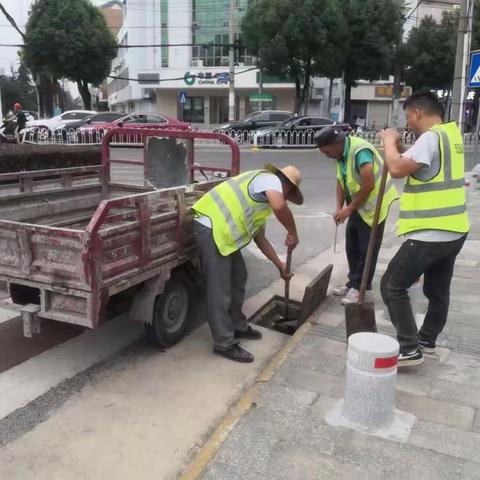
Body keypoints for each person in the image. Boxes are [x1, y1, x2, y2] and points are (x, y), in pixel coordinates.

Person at [379, 89, 469, 367]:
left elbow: (395, 169)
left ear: (417, 112)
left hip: (430, 232)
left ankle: (408, 348)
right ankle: (427, 339)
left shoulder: (430, 138)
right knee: (438, 291)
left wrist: (388, 142)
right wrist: (402, 150)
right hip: (455, 230)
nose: (408, 124)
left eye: (408, 117)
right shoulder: (450, 135)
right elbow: (420, 164)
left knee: (392, 286)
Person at [192, 164, 302, 363]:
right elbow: (279, 206)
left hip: (225, 236)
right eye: (288, 195)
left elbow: (261, 240)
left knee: (238, 277)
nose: (286, 200)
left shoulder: (264, 203)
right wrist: (293, 231)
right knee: (220, 289)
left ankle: (237, 325)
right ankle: (223, 343)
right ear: (287, 186)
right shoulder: (268, 179)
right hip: (211, 227)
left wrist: (281, 266)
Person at [315, 126, 398, 305]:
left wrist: (349, 209)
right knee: (352, 246)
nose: (325, 155)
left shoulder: (360, 151)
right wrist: (339, 207)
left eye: (325, 151)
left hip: (375, 206)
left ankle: (361, 288)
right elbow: (341, 180)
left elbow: (368, 184)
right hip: (359, 206)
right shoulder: (340, 155)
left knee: (366, 250)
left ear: (335, 144)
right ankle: (353, 282)